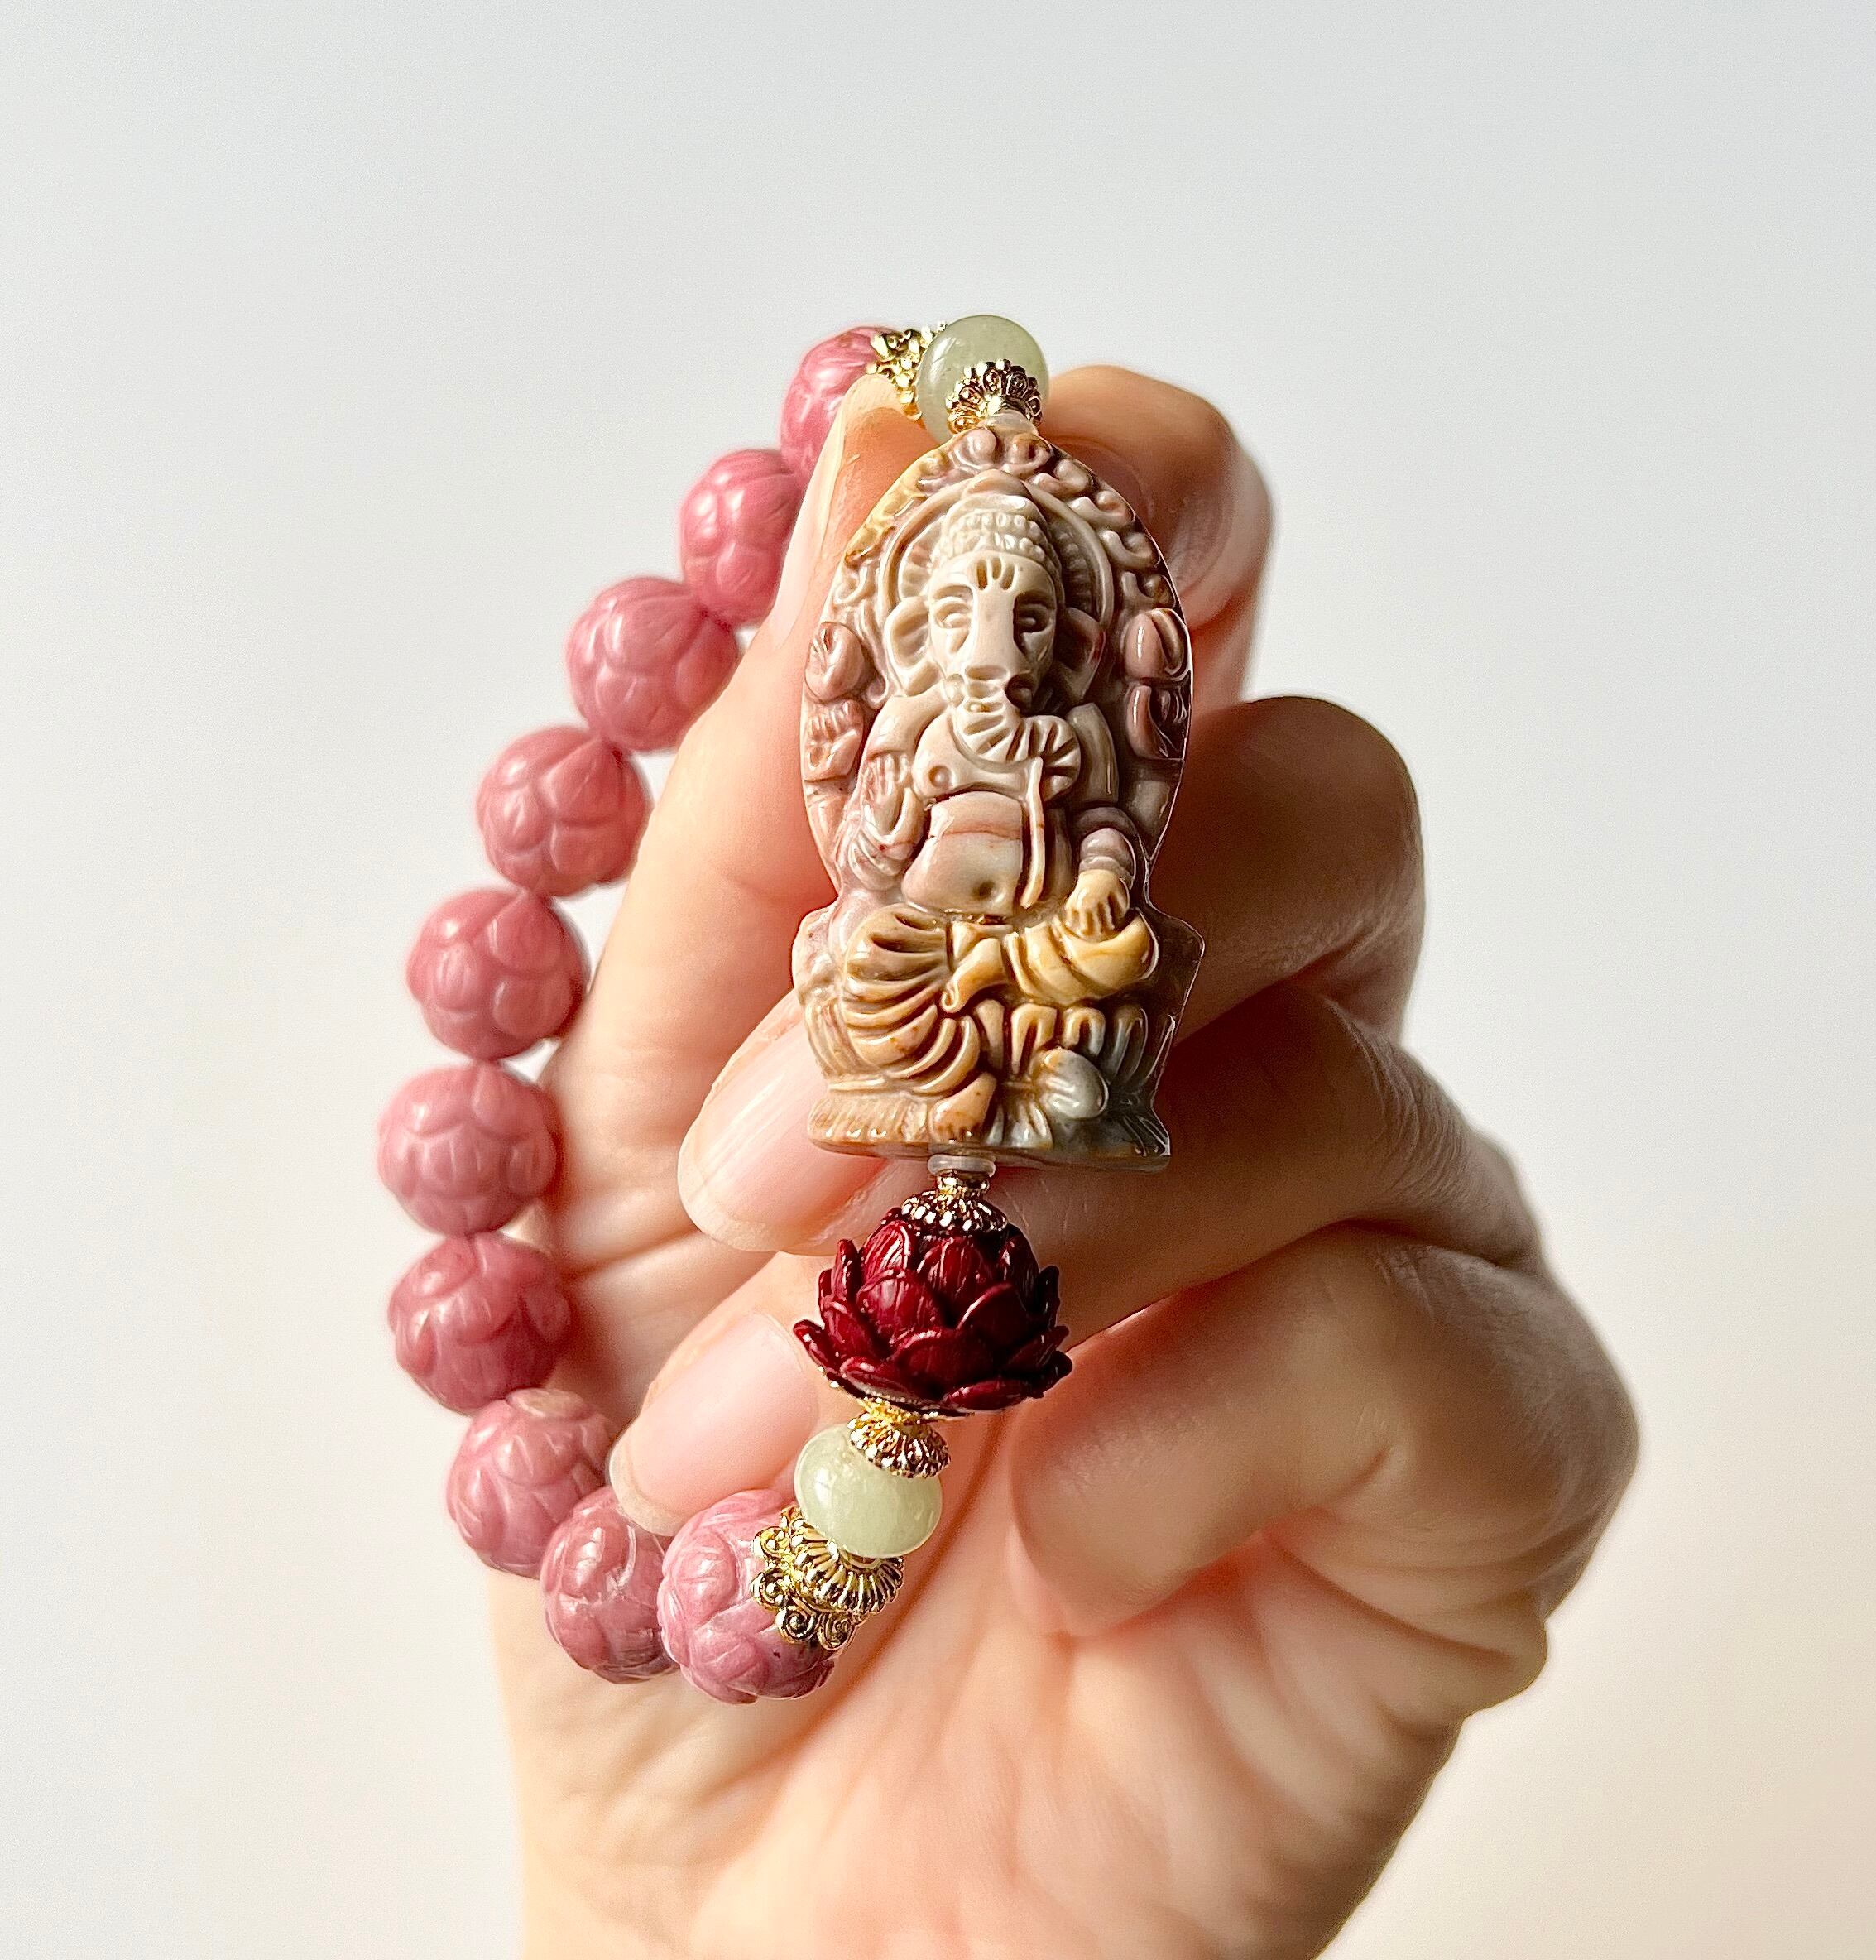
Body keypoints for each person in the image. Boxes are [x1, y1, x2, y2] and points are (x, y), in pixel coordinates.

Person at [499, 366, 1638, 1958]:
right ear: (903, 632)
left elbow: (1105, 851)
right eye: (961, 615)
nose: (991, 646)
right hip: (915, 971)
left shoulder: (1063, 742)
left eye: (1029, 620)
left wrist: (1092, 887)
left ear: (1071, 636)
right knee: (871, 963)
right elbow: (873, 843)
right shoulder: (908, 740)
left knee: (1112, 958)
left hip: (1040, 977)